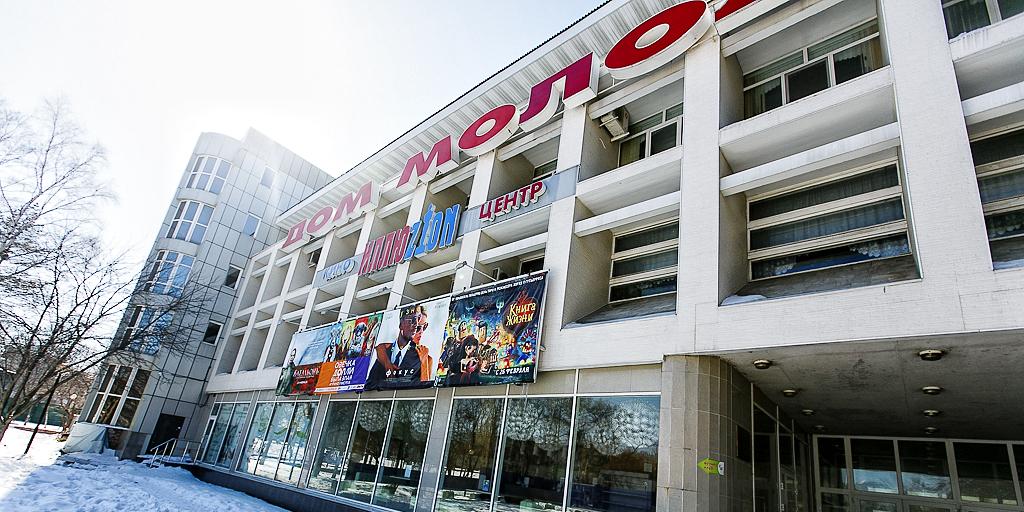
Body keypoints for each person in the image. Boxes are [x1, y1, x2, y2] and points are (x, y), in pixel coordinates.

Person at [366, 305, 433, 389]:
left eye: (424, 326)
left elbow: (425, 388)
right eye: (419, 327)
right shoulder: (384, 351)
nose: (420, 331)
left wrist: (423, 362)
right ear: (401, 325)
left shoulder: (426, 358)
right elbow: (369, 384)